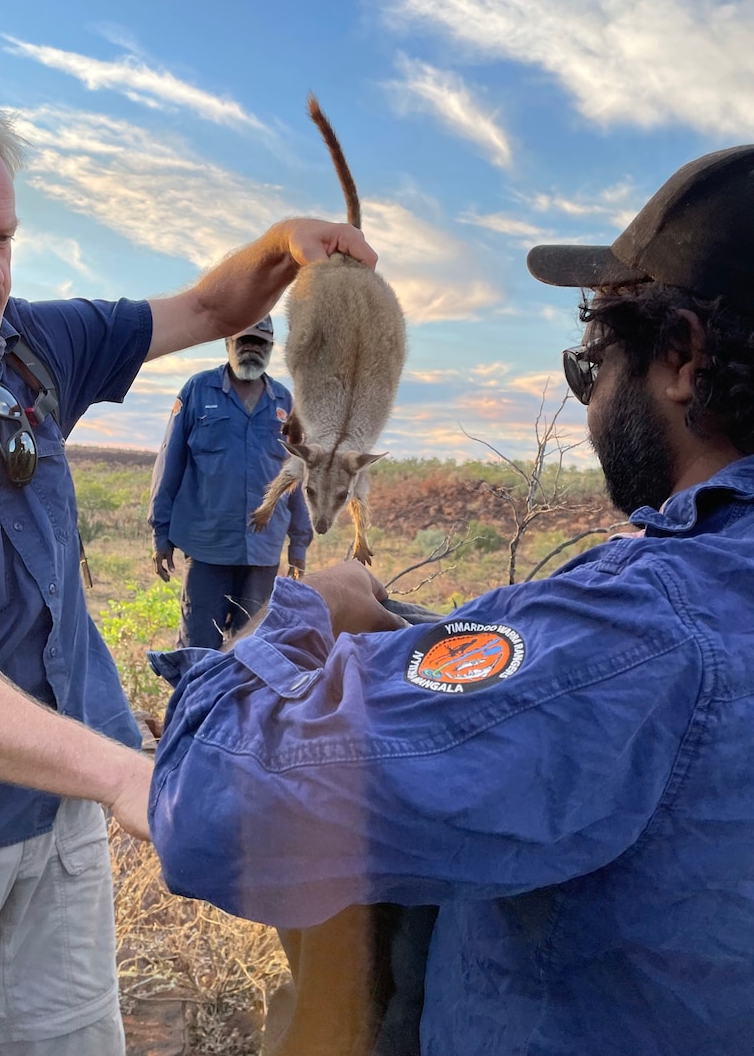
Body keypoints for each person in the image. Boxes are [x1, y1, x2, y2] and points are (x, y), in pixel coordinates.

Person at [149, 144, 754, 1055]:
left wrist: (311, 614)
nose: (590, 399)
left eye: (591, 362)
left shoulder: (649, 625)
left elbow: (213, 799)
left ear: (680, 358)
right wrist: (423, 639)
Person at [0, 75, 376, 1056]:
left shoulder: (26, 347)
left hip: (56, 809)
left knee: (70, 1039)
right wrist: (122, 775)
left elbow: (206, 302)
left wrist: (284, 246)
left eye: (4, 237)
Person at [149, 314, 312, 649]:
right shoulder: (197, 391)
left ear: (270, 348)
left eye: (259, 344)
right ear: (228, 344)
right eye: (243, 342)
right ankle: (194, 703)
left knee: (253, 650)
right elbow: (170, 463)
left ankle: (240, 703)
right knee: (199, 650)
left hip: (263, 553)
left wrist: (299, 545)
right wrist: (160, 533)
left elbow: (298, 477)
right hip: (208, 547)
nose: (251, 350)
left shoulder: (286, 403)